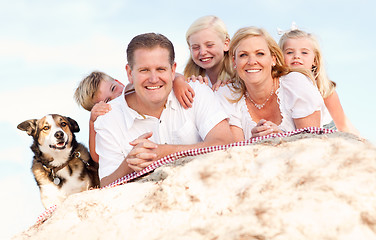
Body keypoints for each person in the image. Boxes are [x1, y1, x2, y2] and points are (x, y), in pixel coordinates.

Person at [94, 32, 234, 187]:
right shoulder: (108, 118)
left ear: (173, 70)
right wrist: (129, 163)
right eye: (144, 70)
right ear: (129, 73)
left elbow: (225, 143)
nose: (153, 79)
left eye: (160, 69)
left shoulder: (197, 92)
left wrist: (165, 152)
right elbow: (105, 184)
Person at [215, 26, 326, 141]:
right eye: (243, 55)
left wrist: (282, 137)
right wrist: (255, 144)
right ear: (234, 62)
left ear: (273, 59)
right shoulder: (228, 94)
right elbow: (235, 151)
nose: (252, 62)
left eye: (260, 54)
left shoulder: (295, 84)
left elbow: (313, 144)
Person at [74, 71, 195, 163]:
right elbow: (97, 158)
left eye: (113, 88)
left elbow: (166, 75)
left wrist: (179, 81)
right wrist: (92, 122)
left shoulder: (137, 87)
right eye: (108, 101)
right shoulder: (112, 124)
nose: (116, 96)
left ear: (118, 82)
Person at [278, 28, 359, 135]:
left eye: (304, 52)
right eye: (289, 52)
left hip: (324, 132)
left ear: (315, 61)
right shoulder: (277, 86)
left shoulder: (323, 88)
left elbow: (343, 124)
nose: (296, 56)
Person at [183, 15, 233, 90]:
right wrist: (178, 80)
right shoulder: (189, 81)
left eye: (209, 45)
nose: (202, 52)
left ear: (226, 44)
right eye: (195, 47)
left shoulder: (240, 77)